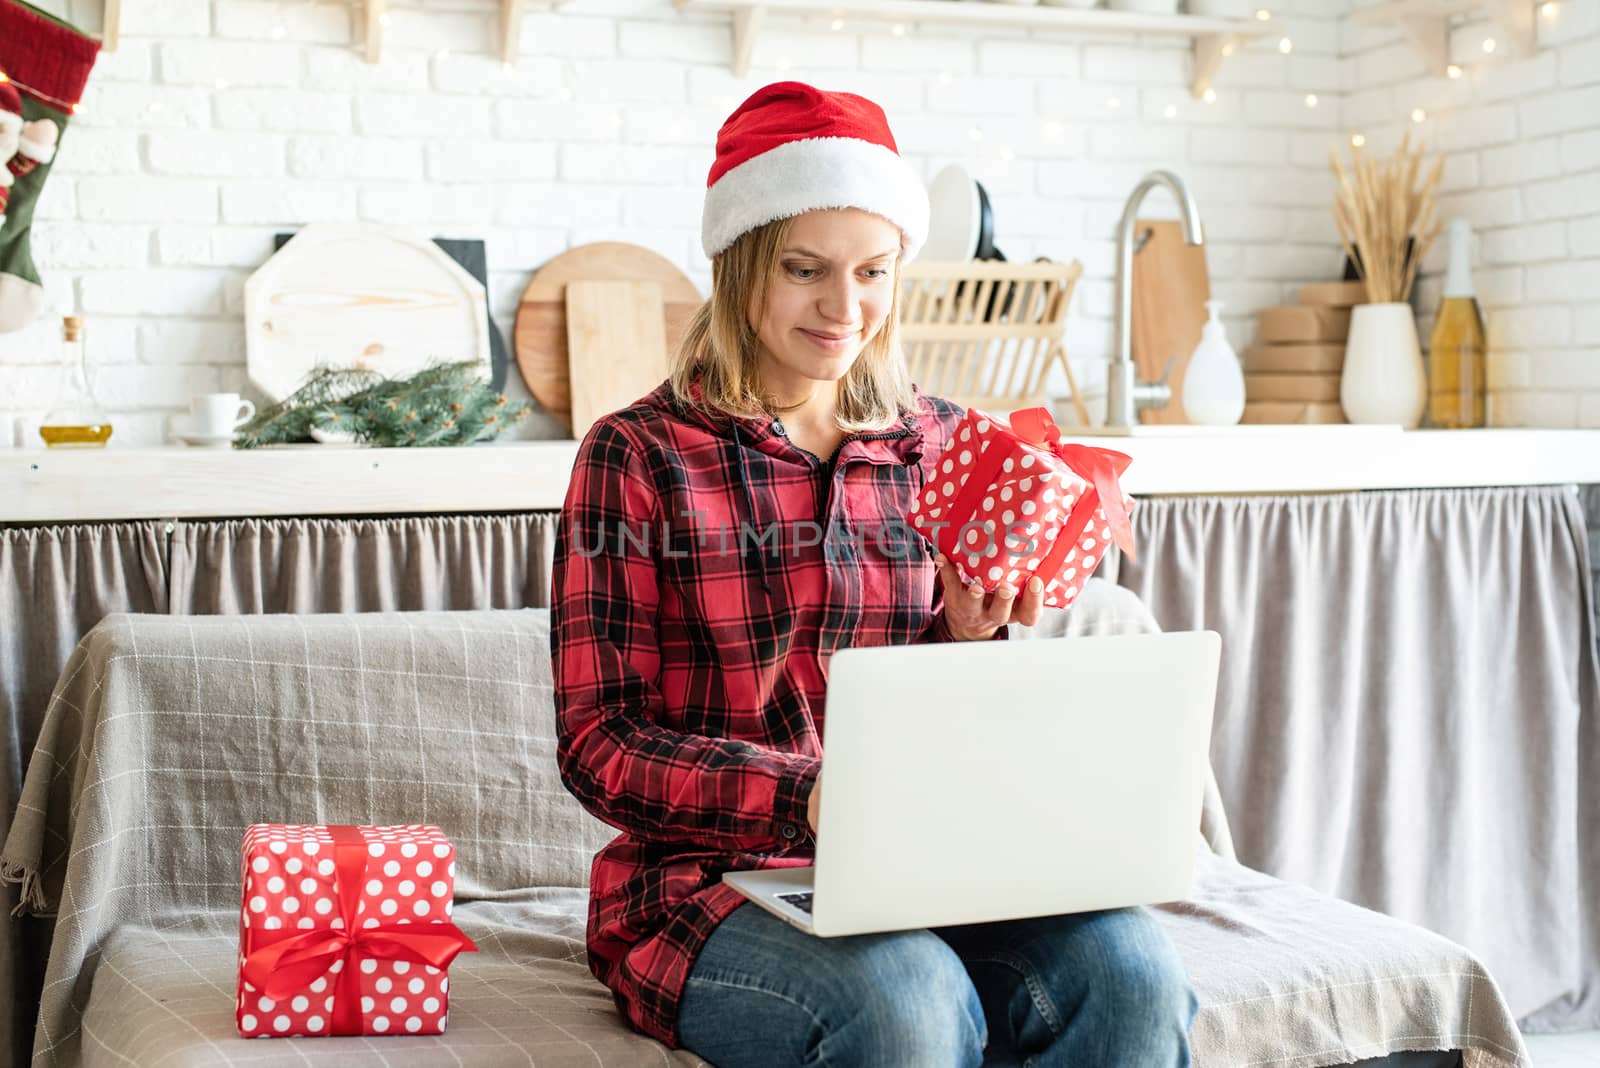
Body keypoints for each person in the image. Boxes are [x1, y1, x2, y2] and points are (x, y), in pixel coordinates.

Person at [551, 79, 1199, 1067]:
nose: (843, 308)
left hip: (936, 869)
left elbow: (961, 718)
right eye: (805, 269)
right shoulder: (637, 454)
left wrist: (976, 637)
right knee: (907, 1001)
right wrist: (805, 798)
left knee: (1136, 976)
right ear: (738, 264)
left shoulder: (937, 442)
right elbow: (598, 744)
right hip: (707, 885)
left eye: (874, 271)